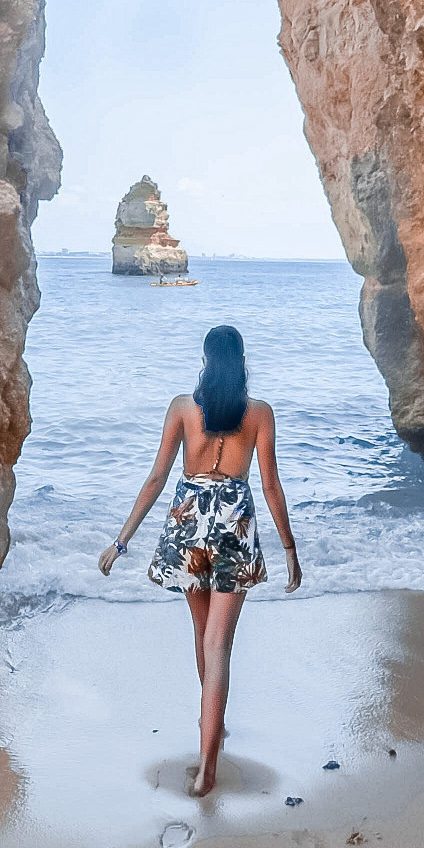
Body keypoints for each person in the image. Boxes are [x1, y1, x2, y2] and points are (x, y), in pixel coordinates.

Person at [99, 324, 302, 797]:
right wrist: (290, 550)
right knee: (219, 647)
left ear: (206, 360)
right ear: (242, 362)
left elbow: (155, 479)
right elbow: (270, 485)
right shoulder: (258, 414)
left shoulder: (183, 409)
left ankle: (207, 726)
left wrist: (121, 542)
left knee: (201, 634)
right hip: (235, 527)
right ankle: (208, 759)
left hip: (188, 524)